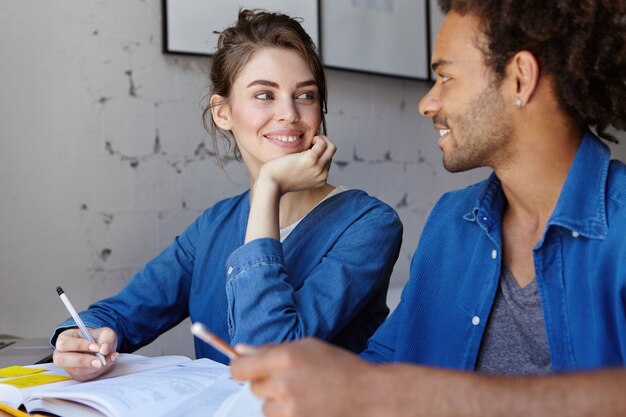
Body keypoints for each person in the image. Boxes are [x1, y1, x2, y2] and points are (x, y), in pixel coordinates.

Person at [230, 1, 626, 415]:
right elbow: (388, 359)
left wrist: (414, 395)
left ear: (520, 78)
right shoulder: (453, 221)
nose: (428, 104)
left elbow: (400, 390)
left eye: (445, 78)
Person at [51, 9, 402, 382]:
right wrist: (78, 339)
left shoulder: (370, 225)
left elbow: (267, 356)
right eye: (265, 94)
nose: (289, 113)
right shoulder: (212, 227)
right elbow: (120, 313)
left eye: (306, 95)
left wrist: (268, 187)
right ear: (223, 112)